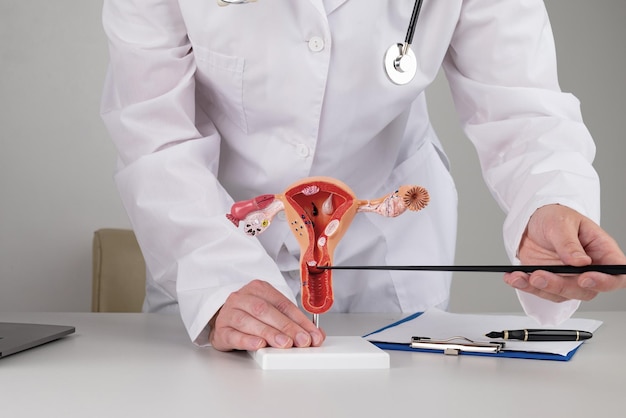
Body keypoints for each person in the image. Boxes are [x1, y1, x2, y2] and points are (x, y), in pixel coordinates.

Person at [100, 0, 626, 352]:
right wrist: (214, 278)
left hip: (382, 241)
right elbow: (153, 130)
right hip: (213, 231)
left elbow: (523, 105)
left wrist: (549, 201)